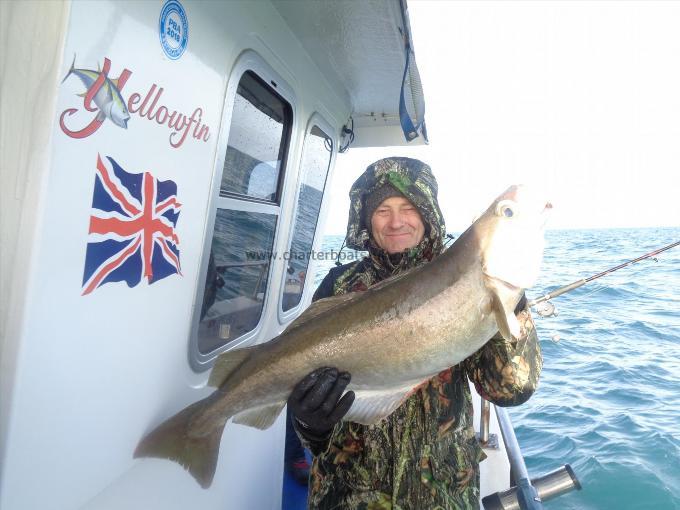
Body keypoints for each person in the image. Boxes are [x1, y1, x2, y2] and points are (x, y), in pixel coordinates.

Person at [287, 157, 543, 509]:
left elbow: (511, 389)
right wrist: (310, 423)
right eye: (382, 210)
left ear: (427, 213)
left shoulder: (464, 277)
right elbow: (314, 436)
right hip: (348, 494)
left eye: (408, 207)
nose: (395, 222)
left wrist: (506, 300)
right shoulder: (338, 287)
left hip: (440, 493)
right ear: (365, 219)